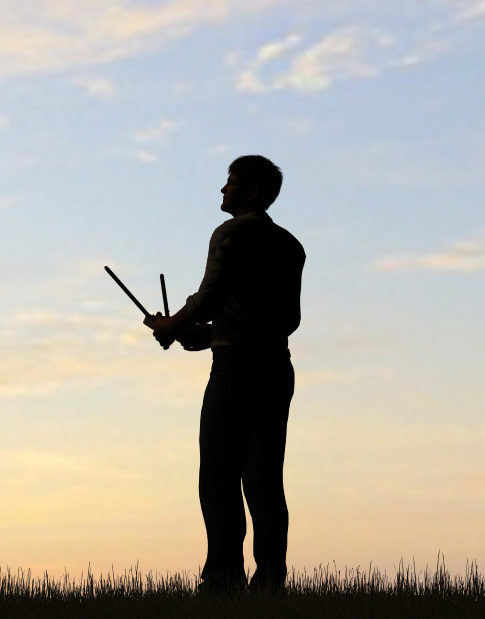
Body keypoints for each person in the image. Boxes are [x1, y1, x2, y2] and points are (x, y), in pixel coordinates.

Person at [150, 155, 305, 594]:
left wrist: (171, 325)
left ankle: (222, 580)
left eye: (231, 182)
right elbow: (281, 318)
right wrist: (210, 335)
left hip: (237, 368)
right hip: (276, 366)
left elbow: (209, 295)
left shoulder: (230, 233)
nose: (223, 190)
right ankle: (271, 580)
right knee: (264, 478)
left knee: (218, 474)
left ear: (251, 192)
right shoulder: (291, 245)